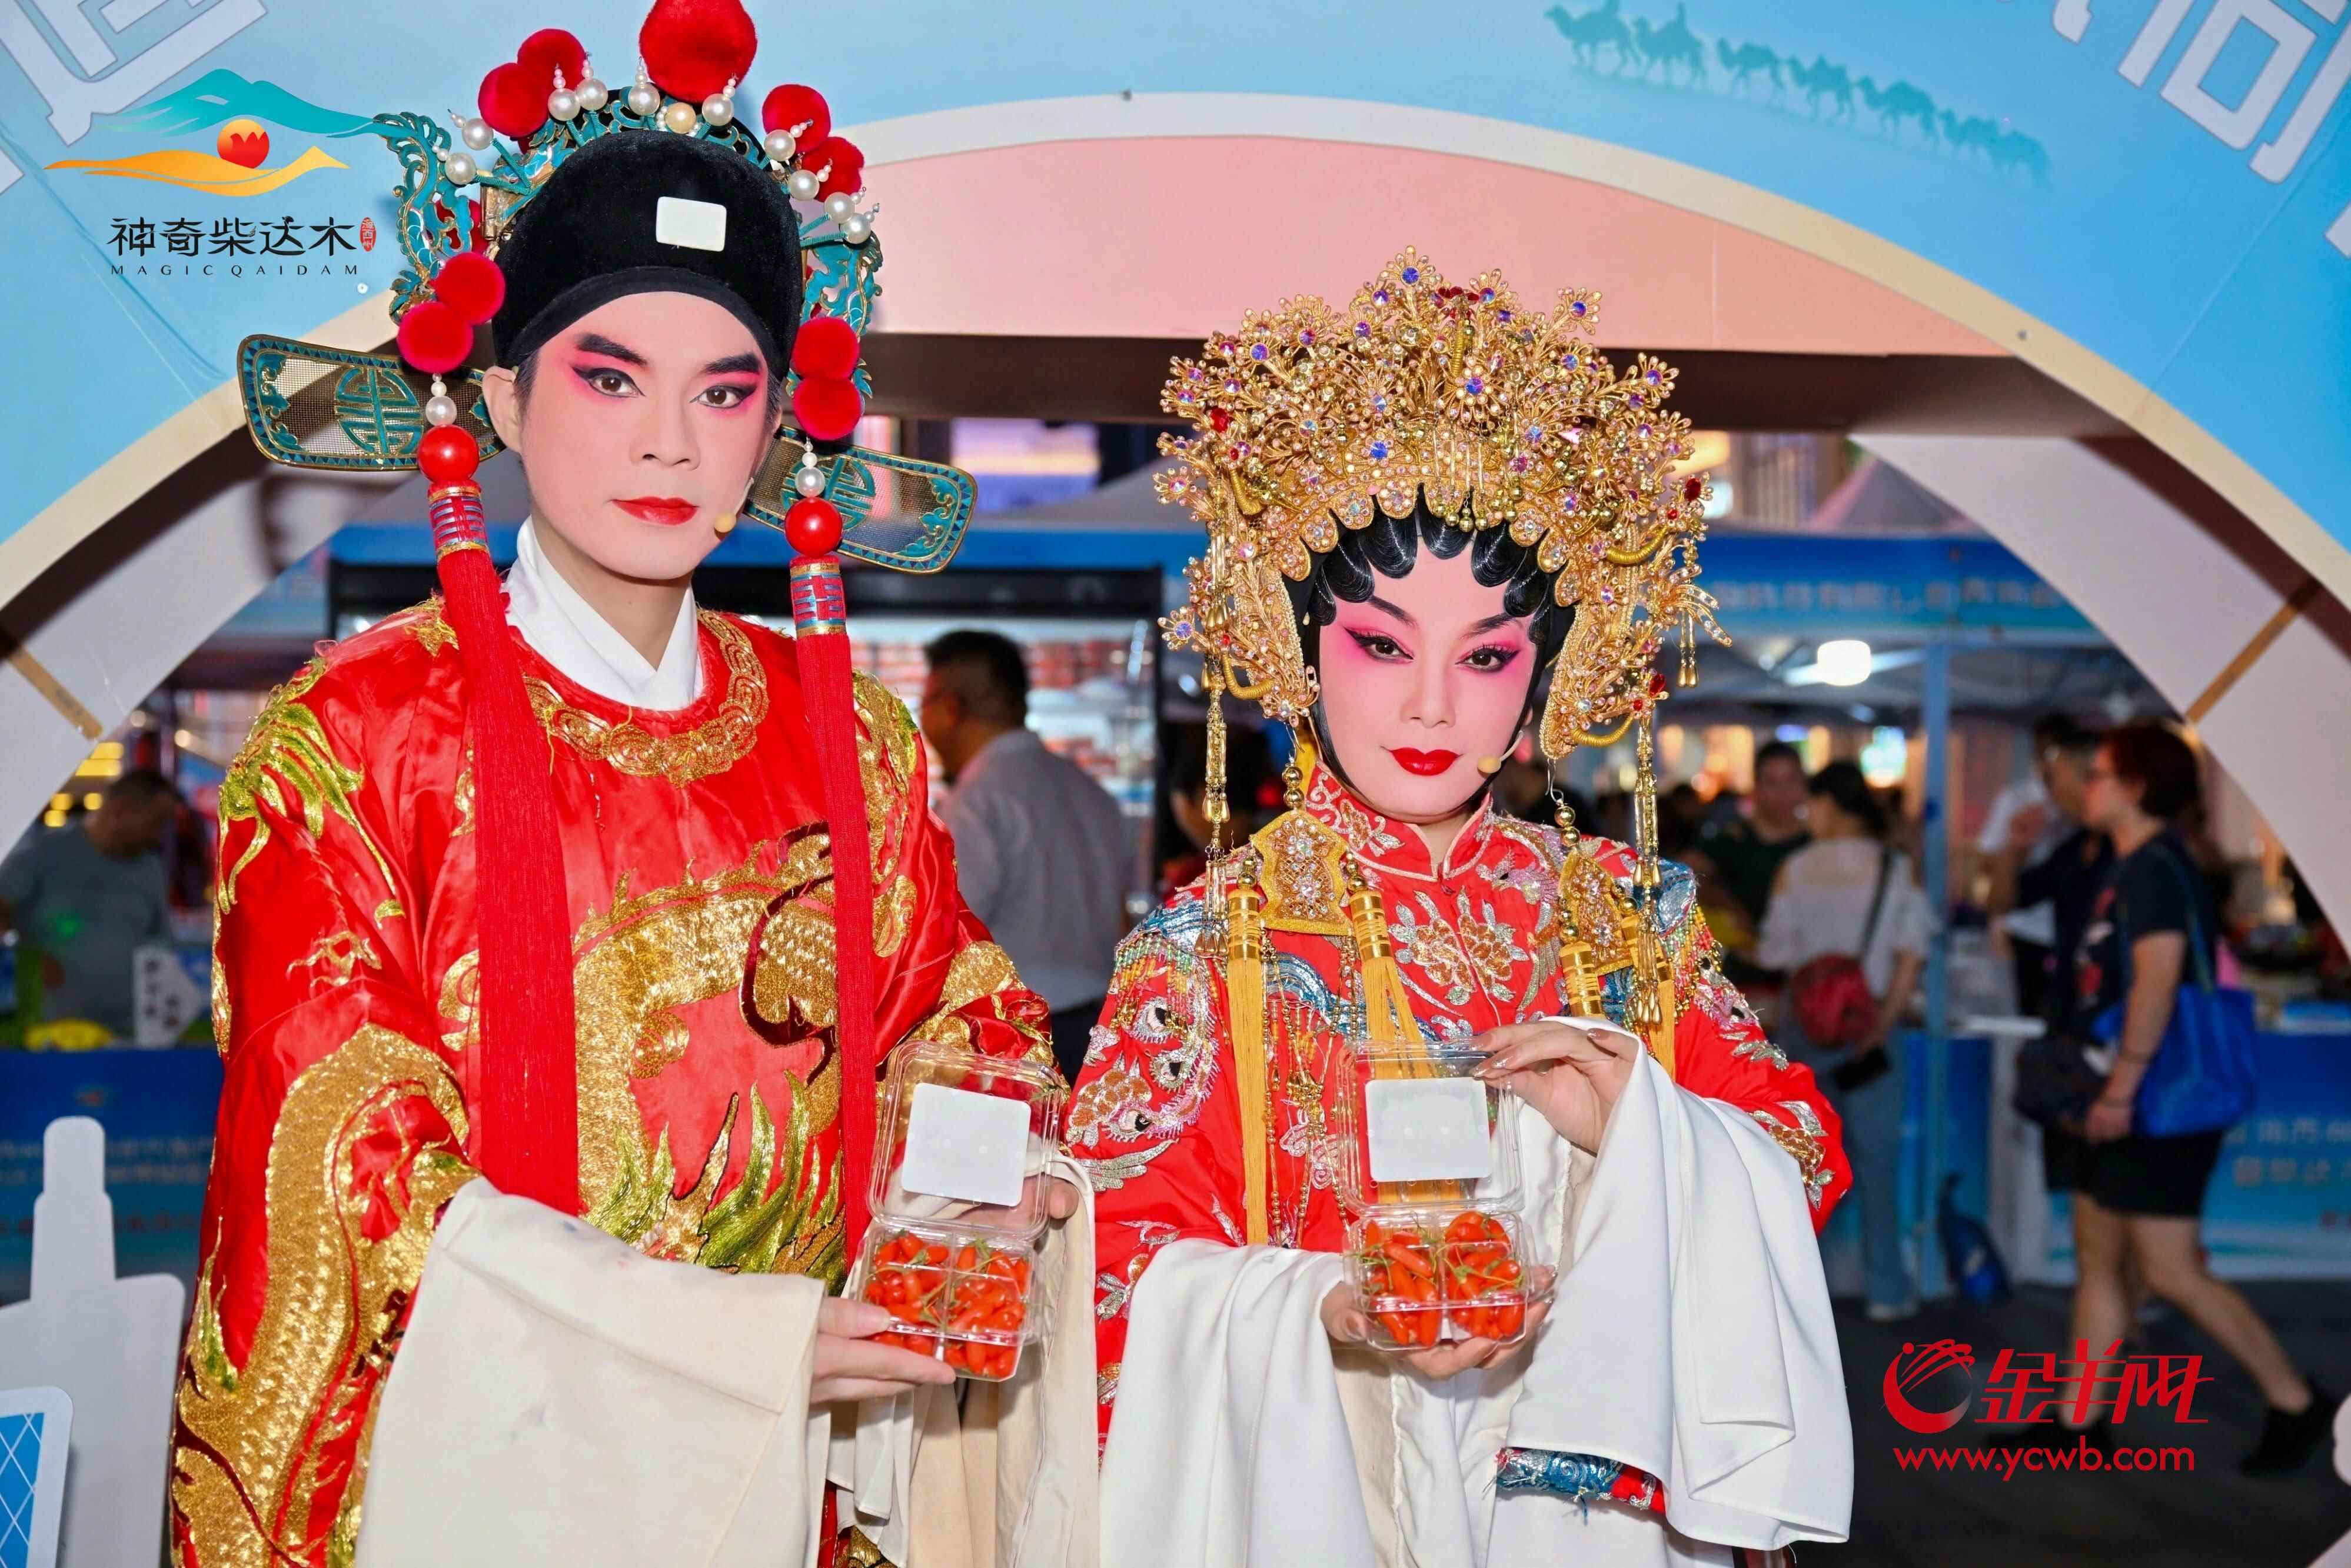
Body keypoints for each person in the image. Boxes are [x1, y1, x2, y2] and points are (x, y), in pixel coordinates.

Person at [169, 10, 1058, 1563]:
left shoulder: (846, 734)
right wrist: (733, 1346)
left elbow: (953, 1011)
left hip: (804, 1466)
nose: (668, 442)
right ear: (502, 397)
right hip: (504, 1488)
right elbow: (344, 1157)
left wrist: (982, 1180)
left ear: (777, 427)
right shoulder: (361, 738)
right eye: (608, 376)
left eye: (723, 392)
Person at [1071, 255, 1853, 1565]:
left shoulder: (1622, 918)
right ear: (1293, 645)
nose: (1433, 705)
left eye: (1486, 655)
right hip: (1327, 1484)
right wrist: (1327, 1309)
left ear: (1546, 676)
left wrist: (1639, 1129)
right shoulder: (1214, 944)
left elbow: (1798, 1152)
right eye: (1381, 644)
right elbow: (1107, 1259)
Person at [2050, 722, 2330, 1473]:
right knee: (2098, 1254)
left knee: (2168, 1270)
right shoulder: (2130, 864)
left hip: (2155, 1098)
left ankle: (2294, 1400)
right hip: (2125, 1091)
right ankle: (2078, 1421)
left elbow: (2156, 981)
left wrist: (2120, 1089)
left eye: (2099, 773)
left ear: (2136, 786)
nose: (2086, 786)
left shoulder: (2153, 870)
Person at [1757, 761, 1934, 1322]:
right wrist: (1882, 1022)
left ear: (1829, 804)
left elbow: (1774, 952)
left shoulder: (1794, 868)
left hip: (1805, 1032)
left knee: (1801, 1165)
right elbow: (1912, 953)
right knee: (1876, 1164)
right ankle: (1886, 1289)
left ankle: (1798, 1294)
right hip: (1869, 1034)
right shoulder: (1896, 868)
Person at [922, 628, 1132, 1082]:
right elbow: (1122, 920)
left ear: (949, 708)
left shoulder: (975, 802)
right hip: (1101, 1031)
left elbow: (948, 936)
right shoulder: (1092, 793)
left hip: (1017, 1042)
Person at [0, 768, 178, 1037]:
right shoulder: (44, 854)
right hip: (53, 1037)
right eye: (156, 823)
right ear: (120, 811)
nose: (159, 835)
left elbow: (162, 941)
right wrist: (22, 955)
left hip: (130, 1035)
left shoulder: (150, 869)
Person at [1984, 719, 2108, 1030]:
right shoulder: (2073, 849)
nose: (2051, 792)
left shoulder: (2127, 851)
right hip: (2069, 1008)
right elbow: (2001, 902)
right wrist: (2013, 848)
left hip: (2107, 1017)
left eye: (2055, 779)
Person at [1697, 739, 1811, 988]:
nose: (1783, 793)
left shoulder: (1815, 844)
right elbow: (1688, 876)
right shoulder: (1732, 840)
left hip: (1804, 976)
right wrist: (1725, 903)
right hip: (1743, 977)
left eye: (1791, 781)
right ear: (1757, 788)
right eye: (1772, 783)